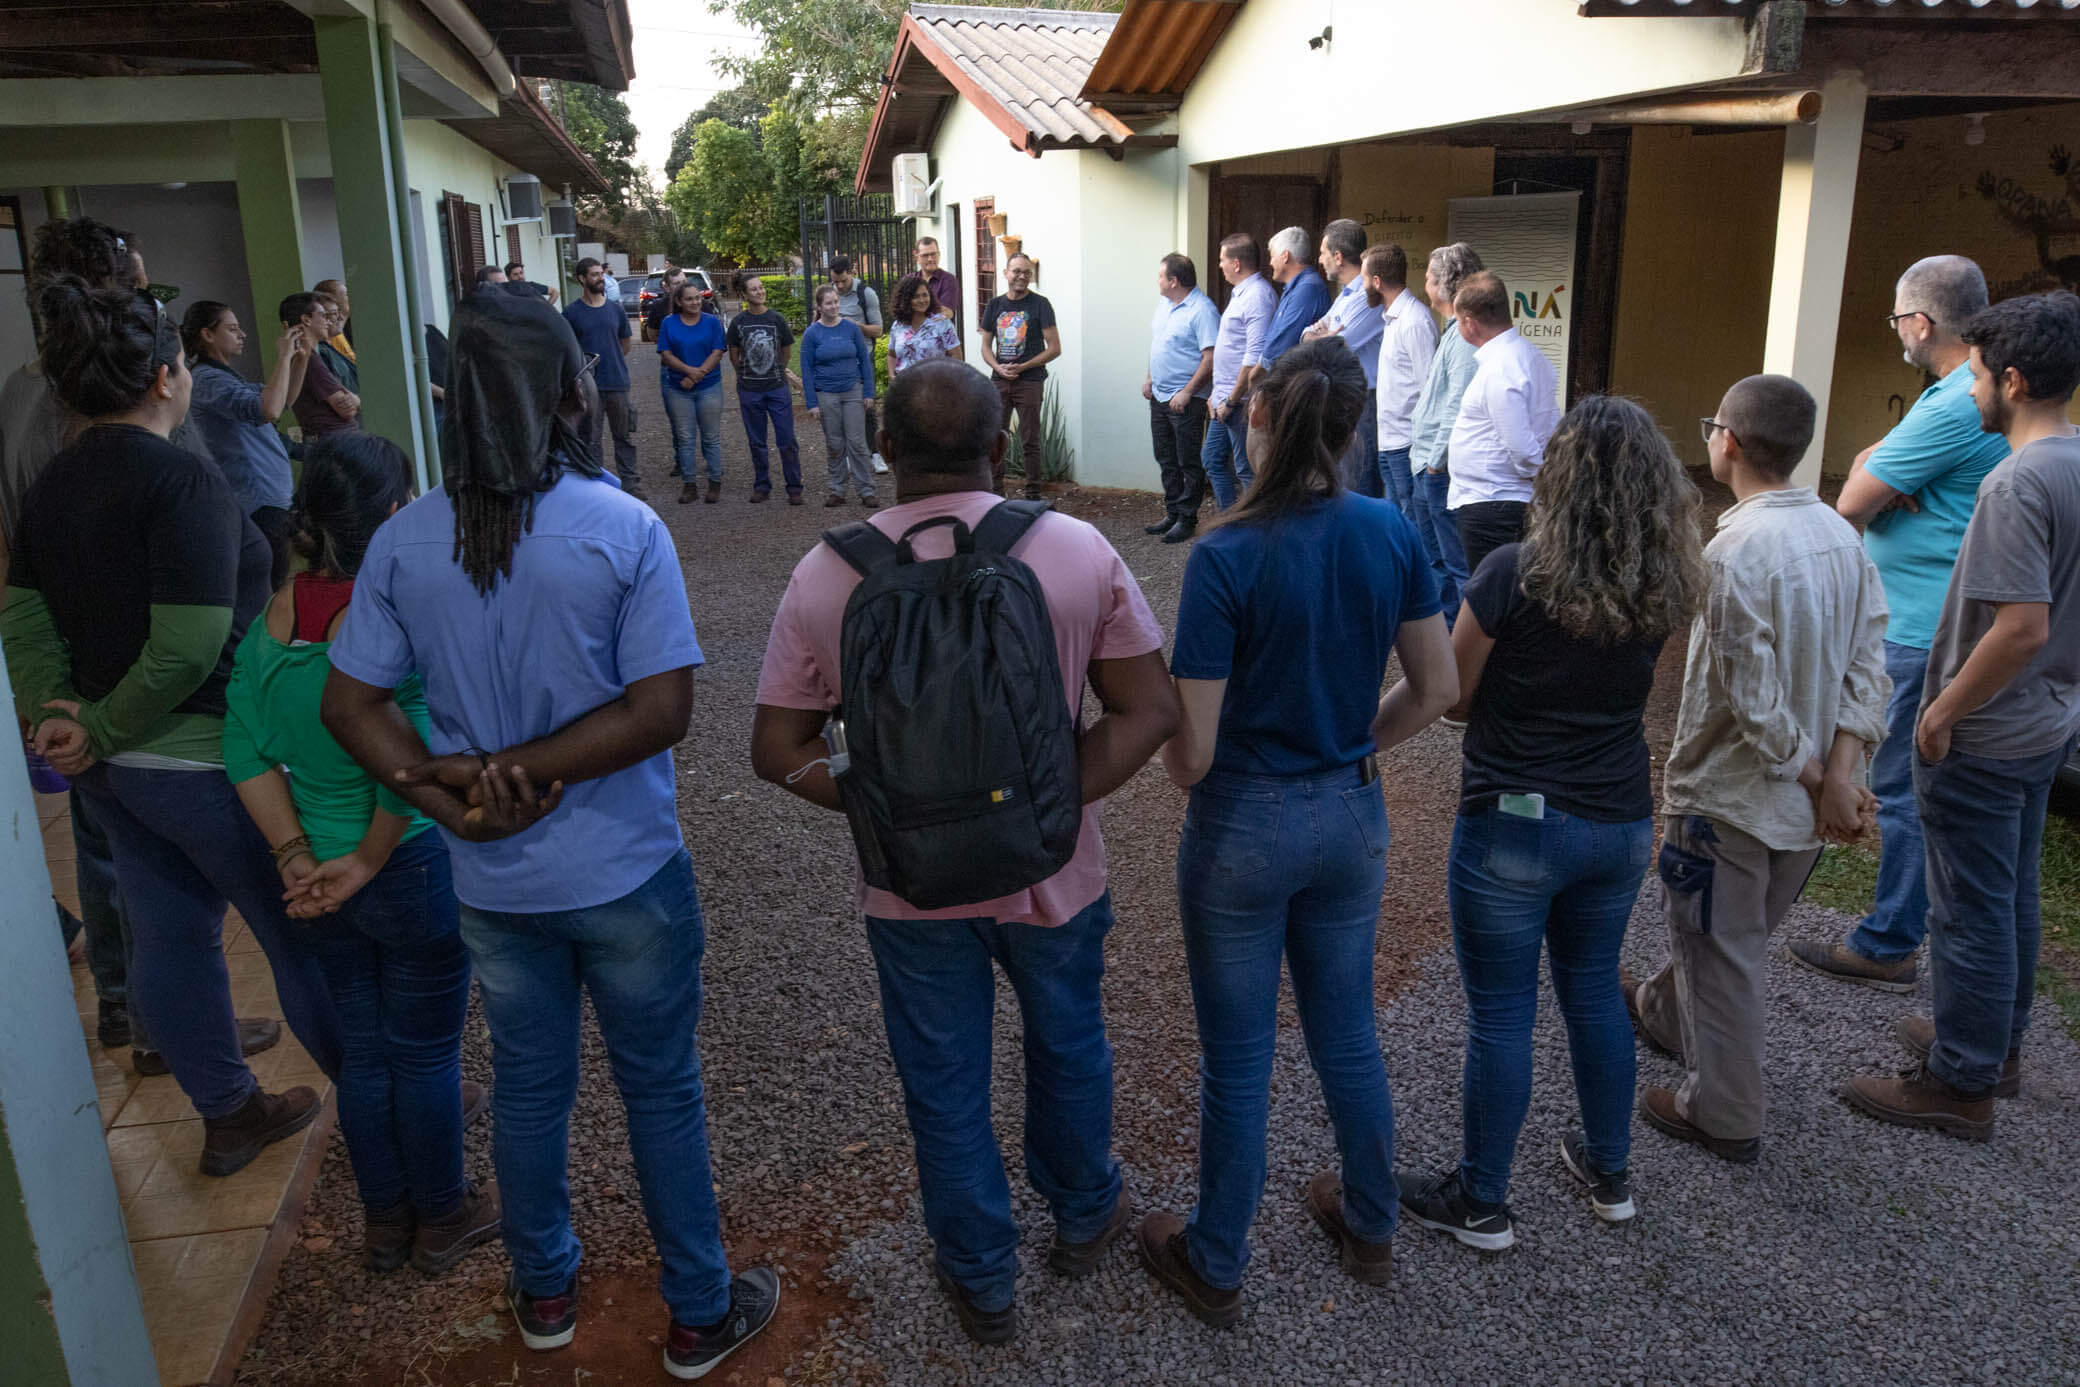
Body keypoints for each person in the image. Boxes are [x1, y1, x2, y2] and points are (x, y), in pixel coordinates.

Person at [319, 287, 778, 1378]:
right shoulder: (621, 528)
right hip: (625, 871)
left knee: (529, 1090)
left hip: (492, 881)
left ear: (454, 405)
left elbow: (352, 706)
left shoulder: (403, 540)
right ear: (574, 389)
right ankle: (700, 1312)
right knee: (660, 1089)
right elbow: (661, 710)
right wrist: (525, 777)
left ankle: (543, 1296)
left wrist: (457, 797)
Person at [750, 358, 1179, 1345]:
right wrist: (1044, 805)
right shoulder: (1072, 550)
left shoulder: (826, 572)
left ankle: (981, 1273)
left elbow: (777, 750)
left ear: (886, 450)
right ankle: (1081, 1213)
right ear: (1000, 448)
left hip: (910, 888)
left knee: (942, 1077)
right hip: (1054, 873)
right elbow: (1147, 709)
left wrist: (882, 807)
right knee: (1068, 1043)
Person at [1140, 338, 1458, 1327]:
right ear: (1354, 426)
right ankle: (1370, 1222)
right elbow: (1439, 687)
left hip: (1242, 818)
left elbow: (1191, 744)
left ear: (1262, 419)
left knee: (1237, 1056)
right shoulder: (1389, 531)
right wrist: (1358, 740)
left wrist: (1173, 765)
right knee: (1345, 1030)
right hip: (1348, 812)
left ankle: (1217, 1256)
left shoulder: (1225, 553)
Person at [3, 277, 341, 1175]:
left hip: (118, 775)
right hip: (200, 754)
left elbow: (25, 616)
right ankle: (386, 1087)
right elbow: (189, 644)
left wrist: (59, 715)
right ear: (163, 379)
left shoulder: (53, 484)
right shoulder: (180, 477)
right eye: (185, 361)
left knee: (168, 931)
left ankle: (229, 1111)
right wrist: (101, 724)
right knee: (300, 925)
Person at [1393, 396, 1706, 1251]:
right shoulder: (1668, 581)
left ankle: (1482, 1201)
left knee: (1501, 1014)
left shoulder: (1511, 574)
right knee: (1593, 993)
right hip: (1618, 824)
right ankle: (1611, 1174)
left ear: (1558, 476)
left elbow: (1451, 698)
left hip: (1514, 822)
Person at [222, 432, 495, 1276]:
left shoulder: (277, 612)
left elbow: (244, 744)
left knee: (368, 1051)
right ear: (390, 514)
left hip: (319, 883)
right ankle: (444, 1215)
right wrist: (368, 859)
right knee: (423, 1049)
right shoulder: (383, 615)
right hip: (403, 862)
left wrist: (296, 856)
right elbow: (400, 756)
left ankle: (385, 1222)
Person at [1627, 374, 1889, 1165]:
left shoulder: (1733, 550)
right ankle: (1667, 1012)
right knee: (1731, 936)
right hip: (1806, 810)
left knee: (1724, 947)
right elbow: (1868, 664)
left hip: (1734, 799)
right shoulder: (1843, 535)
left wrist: (1819, 777)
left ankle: (1726, 1111)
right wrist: (1842, 771)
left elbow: (1753, 697)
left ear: (1727, 442)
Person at [1841, 291, 2080, 1139]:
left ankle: (1960, 1081)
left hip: (1990, 729)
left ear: (2011, 380)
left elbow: (2021, 626)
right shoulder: (2075, 460)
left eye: (1976, 371)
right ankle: (1994, 1045)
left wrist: (1941, 712)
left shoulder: (2016, 482)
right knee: (2010, 891)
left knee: (1969, 907)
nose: (1966, 386)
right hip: (2047, 721)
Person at [1791, 256, 2009, 993]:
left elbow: (1851, 498)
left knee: (1904, 781)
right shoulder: (1963, 393)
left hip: (1919, 626)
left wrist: (1880, 477)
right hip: (1944, 615)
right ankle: (1904, 928)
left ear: (1920, 323)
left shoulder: (1953, 406)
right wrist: (1883, 470)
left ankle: (1888, 941)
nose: (1896, 335)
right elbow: (1869, 470)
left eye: (1896, 320)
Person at [2, 216, 155, 1056]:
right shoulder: (98, 400)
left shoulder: (16, 392)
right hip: (123, 656)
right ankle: (153, 1009)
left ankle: (133, 1002)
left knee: (106, 844)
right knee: (143, 851)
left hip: (63, 652)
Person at [181, 300, 313, 586]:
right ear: (207, 334)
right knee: (272, 589)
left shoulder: (227, 377)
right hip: (257, 500)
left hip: (270, 497)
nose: (242, 335)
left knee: (280, 582)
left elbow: (284, 400)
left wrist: (300, 357)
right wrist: (282, 357)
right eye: (232, 328)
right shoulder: (207, 380)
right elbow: (270, 410)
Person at [1446, 272, 1561, 573]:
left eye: (1458, 320)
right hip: (1504, 501)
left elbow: (1522, 450)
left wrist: (1542, 478)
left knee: (1495, 596)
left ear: (1470, 323)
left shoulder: (1500, 369)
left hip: (1495, 504)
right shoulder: (1531, 356)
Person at [1407, 244, 1485, 624]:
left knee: (1454, 564)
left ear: (1445, 284)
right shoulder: (1453, 331)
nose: (1424, 285)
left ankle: (1459, 651)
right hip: (1427, 464)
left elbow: (1457, 405)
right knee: (1435, 561)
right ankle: (1444, 643)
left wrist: (1436, 463)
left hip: (1438, 470)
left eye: (1427, 278)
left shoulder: (1464, 340)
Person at [1301, 220, 1384, 497]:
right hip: (1346, 397)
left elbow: (1331, 347)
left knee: (1358, 478)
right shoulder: (1346, 295)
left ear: (1338, 257)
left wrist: (1322, 338)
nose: (1319, 259)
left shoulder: (1366, 296)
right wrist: (1321, 337)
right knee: (1340, 473)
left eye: (1323, 252)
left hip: (1365, 399)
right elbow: (1307, 336)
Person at [1143, 253, 1221, 543]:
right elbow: (1158, 345)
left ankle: (1188, 518)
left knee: (1188, 460)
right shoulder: (1165, 306)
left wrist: (1188, 392)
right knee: (1165, 457)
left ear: (1173, 281)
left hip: (1186, 400)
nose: (1158, 281)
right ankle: (1173, 512)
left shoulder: (1203, 310)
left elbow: (1210, 358)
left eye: (1161, 276)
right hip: (1160, 396)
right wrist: (1150, 377)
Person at [979, 253, 1060, 499]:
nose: (1022, 276)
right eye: (1017, 271)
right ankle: (995, 493)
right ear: (1006, 273)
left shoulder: (1040, 304)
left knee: (1030, 440)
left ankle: (1033, 494)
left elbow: (1054, 348)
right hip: (999, 380)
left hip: (1030, 381)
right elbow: (985, 346)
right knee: (995, 437)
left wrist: (1023, 367)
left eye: (1027, 272)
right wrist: (998, 367)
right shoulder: (994, 305)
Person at [1203, 233, 1274, 512]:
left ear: (1235, 263)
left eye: (1221, 260)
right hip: (1225, 401)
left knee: (1248, 470)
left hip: (1241, 403)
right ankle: (1230, 521)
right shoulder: (1242, 294)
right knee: (1212, 459)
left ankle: (1252, 529)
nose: (1219, 266)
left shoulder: (1257, 296)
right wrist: (1217, 395)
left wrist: (1232, 399)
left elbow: (1253, 357)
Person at [1366, 243, 1438, 518]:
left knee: (1410, 520)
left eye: (1364, 280)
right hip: (1389, 440)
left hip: (1407, 443)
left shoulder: (1414, 321)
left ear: (1377, 282)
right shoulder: (1394, 318)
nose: (1363, 288)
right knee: (1395, 519)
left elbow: (1428, 388)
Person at [564, 257, 642, 498]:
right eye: (595, 274)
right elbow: (569, 350)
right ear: (582, 279)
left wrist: (613, 361)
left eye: (601, 274)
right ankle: (596, 486)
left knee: (624, 436)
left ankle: (631, 485)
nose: (601, 278)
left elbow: (625, 343)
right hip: (588, 388)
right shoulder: (571, 313)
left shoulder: (615, 309)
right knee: (591, 438)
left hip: (617, 383)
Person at [727, 274, 803, 504]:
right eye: (754, 289)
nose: (760, 292)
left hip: (777, 388)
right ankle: (762, 485)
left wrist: (777, 370)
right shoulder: (738, 323)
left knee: (786, 439)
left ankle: (794, 486)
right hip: (750, 390)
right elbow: (734, 354)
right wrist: (747, 376)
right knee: (756, 441)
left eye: (761, 288)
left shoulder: (776, 320)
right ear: (744, 295)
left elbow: (786, 351)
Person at [800, 284, 877, 509]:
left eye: (836, 302)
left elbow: (864, 360)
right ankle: (837, 489)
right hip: (826, 393)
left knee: (857, 442)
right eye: (829, 303)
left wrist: (868, 392)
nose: (834, 306)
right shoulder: (812, 333)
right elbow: (806, 369)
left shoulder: (851, 328)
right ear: (819, 306)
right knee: (834, 443)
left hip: (852, 390)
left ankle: (867, 490)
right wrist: (812, 403)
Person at [656, 280, 728, 506]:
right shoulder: (669, 323)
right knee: (685, 438)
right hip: (679, 388)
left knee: (711, 437)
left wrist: (697, 375)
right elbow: (665, 355)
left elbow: (718, 351)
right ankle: (690, 485)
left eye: (697, 297)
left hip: (709, 387)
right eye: (689, 298)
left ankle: (714, 483)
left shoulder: (712, 322)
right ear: (678, 301)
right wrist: (688, 372)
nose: (695, 302)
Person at [829, 257, 885, 471]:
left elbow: (878, 330)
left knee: (867, 405)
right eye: (835, 282)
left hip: (862, 356)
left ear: (851, 272)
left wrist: (854, 325)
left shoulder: (865, 294)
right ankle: (849, 456)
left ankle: (875, 454)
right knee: (840, 405)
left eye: (843, 281)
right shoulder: (829, 292)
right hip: (836, 358)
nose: (840, 286)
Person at [280, 292, 359, 439]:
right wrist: (354, 398)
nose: (328, 322)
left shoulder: (309, 356)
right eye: (324, 316)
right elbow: (346, 410)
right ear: (306, 320)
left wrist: (354, 398)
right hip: (335, 445)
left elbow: (350, 400)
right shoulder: (308, 359)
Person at [1260, 226, 1331, 370]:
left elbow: (1282, 346)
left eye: (1272, 256)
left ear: (1285, 256)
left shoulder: (1308, 289)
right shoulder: (1296, 287)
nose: (1270, 263)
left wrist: (1258, 372)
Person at [886, 271, 960, 375]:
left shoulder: (942, 323)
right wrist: (891, 374)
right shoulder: (897, 326)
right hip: (904, 386)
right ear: (906, 299)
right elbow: (891, 355)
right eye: (916, 297)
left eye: (925, 295)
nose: (922, 300)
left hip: (935, 386)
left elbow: (956, 357)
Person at [914, 236, 959, 321]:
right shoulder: (909, 280)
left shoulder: (949, 280)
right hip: (912, 332)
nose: (930, 259)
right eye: (925, 255)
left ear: (939, 254)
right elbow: (901, 308)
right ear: (917, 258)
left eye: (933, 254)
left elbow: (946, 313)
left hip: (939, 332)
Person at [643, 267, 686, 342]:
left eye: (684, 282)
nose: (682, 286)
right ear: (667, 287)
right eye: (677, 283)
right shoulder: (658, 307)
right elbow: (652, 335)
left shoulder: (700, 304)